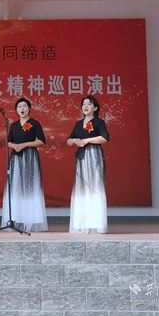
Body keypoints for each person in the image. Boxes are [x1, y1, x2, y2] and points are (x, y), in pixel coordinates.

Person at [3, 97, 48, 232]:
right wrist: (14, 146)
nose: (22, 109)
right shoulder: (14, 125)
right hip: (16, 157)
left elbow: (42, 141)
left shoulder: (35, 123)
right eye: (19, 107)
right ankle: (17, 218)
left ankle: (31, 219)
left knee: (30, 186)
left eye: (24, 106)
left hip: (30, 157)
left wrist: (26, 144)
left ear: (29, 109)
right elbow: (9, 141)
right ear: (16, 110)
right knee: (16, 187)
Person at [67, 95, 110, 234]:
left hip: (94, 155)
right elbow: (69, 140)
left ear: (95, 108)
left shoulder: (99, 122)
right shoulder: (78, 123)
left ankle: (96, 223)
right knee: (82, 188)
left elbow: (105, 138)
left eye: (89, 104)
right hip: (81, 157)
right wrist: (75, 141)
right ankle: (81, 223)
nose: (85, 106)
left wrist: (87, 141)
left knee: (95, 186)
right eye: (84, 104)